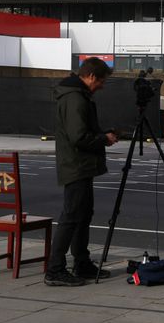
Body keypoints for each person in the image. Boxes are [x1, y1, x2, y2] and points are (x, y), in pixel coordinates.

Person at [45, 57, 119, 286]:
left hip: (81, 165)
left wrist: (101, 136)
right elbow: (78, 137)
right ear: (91, 77)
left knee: (83, 214)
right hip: (76, 165)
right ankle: (55, 269)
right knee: (71, 216)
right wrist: (103, 139)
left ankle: (82, 263)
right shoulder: (75, 99)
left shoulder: (77, 96)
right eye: (102, 81)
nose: (102, 87)